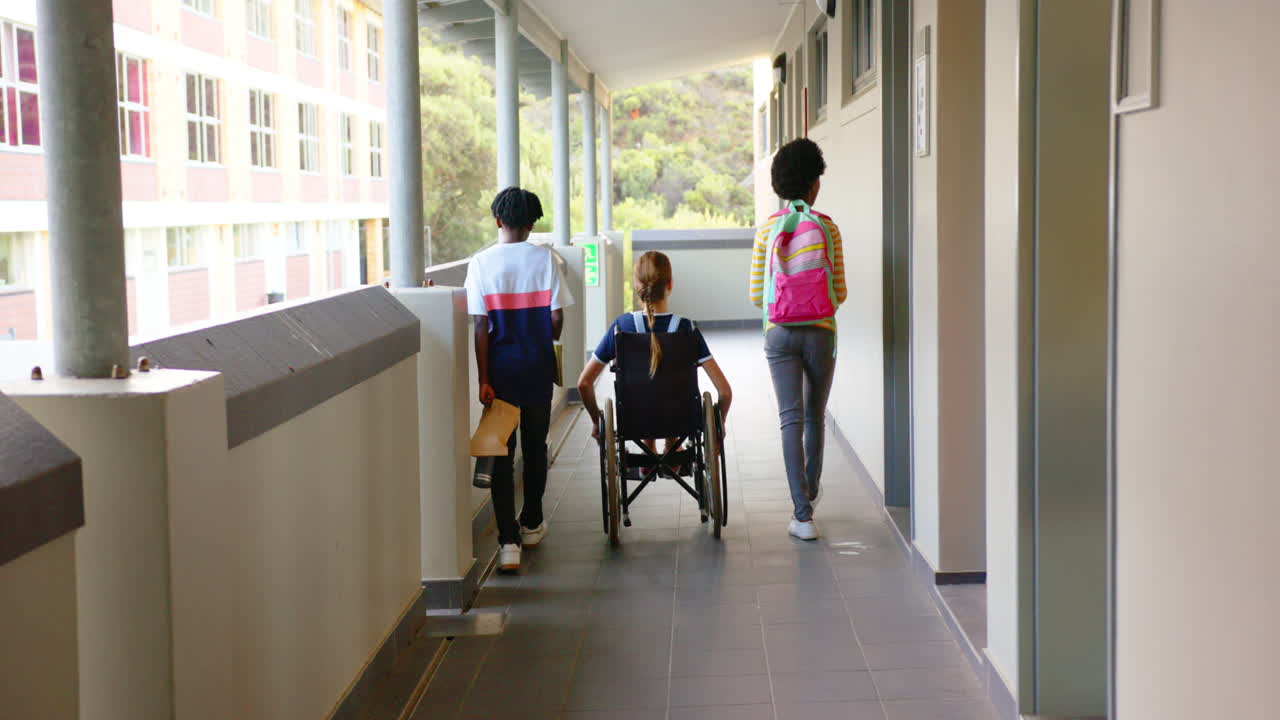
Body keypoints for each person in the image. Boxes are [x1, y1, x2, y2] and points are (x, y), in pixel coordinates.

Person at [465, 187, 573, 573]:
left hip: (501, 370)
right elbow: (557, 319)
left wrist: (484, 379)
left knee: (501, 452)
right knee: (535, 444)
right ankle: (532, 521)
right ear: (532, 224)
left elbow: (480, 324)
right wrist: (545, 337)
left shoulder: (480, 264)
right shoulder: (544, 259)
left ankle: (508, 541)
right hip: (537, 365)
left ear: (498, 220)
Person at [749, 138, 847, 541]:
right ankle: (810, 489)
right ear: (814, 185)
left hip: (780, 334)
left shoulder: (766, 231)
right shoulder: (828, 228)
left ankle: (801, 515)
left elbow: (758, 295)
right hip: (821, 333)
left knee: (789, 418)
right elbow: (839, 291)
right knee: (814, 416)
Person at [577, 251, 733, 449]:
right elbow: (725, 392)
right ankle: (672, 443)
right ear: (670, 284)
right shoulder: (687, 329)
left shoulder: (621, 327)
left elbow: (584, 383)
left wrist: (596, 421)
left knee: (645, 397)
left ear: (636, 287)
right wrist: (720, 425)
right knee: (672, 398)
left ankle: (647, 445)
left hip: (635, 418)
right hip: (681, 418)